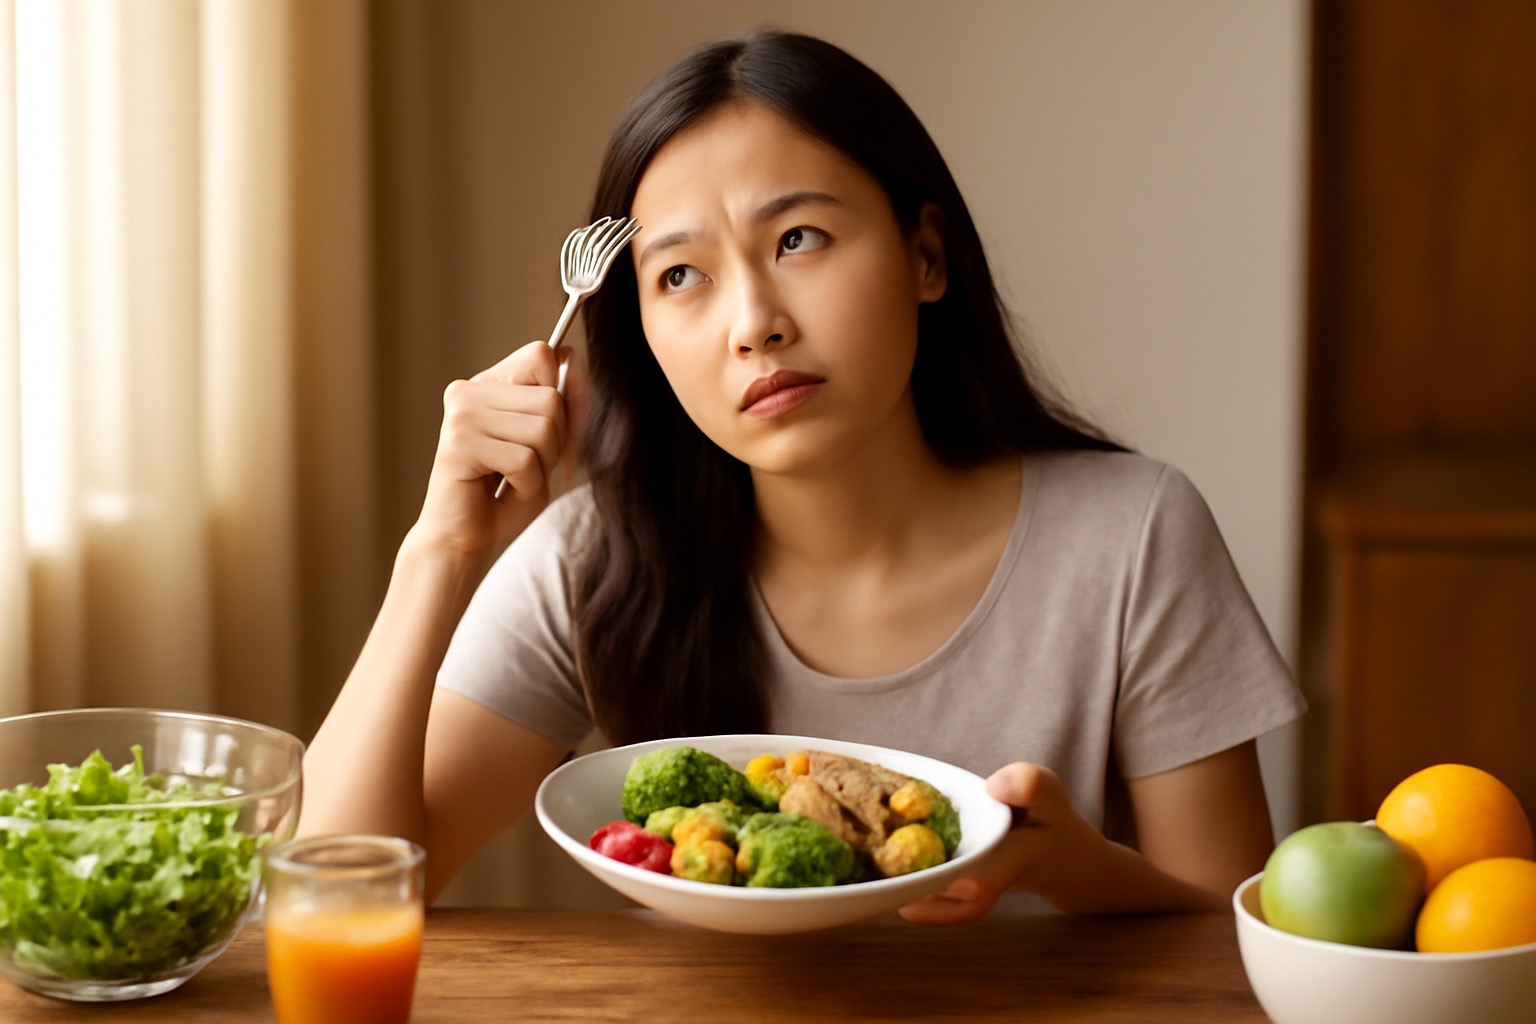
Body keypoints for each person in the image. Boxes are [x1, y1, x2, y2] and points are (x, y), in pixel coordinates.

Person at [300, 30, 1305, 922]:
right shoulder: (593, 560)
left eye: (798, 239)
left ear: (926, 256)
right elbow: (331, 885)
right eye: (681, 275)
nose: (755, 325)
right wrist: (439, 552)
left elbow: (1235, 936)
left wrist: (1075, 868)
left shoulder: (1132, 538)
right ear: (640, 334)